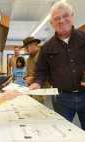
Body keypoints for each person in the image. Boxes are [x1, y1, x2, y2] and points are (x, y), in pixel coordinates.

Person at [30, 1, 85, 130]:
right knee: (63, 132)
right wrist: (37, 83)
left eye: (65, 16)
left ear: (72, 16)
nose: (61, 21)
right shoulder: (46, 47)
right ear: (52, 23)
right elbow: (41, 71)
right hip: (62, 98)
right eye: (57, 18)